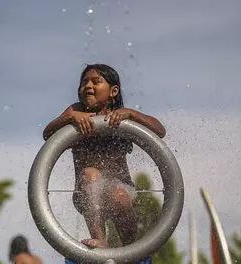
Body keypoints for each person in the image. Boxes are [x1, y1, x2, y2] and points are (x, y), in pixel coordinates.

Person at [43, 63, 166, 248]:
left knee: (119, 196)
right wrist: (69, 117)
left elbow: (159, 130)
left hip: (121, 188)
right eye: (84, 83)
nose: (88, 86)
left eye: (96, 81)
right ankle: (100, 239)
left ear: (113, 91)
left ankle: (131, 248)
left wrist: (131, 114)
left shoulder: (120, 116)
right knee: (90, 174)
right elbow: (48, 134)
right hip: (87, 193)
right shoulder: (75, 113)